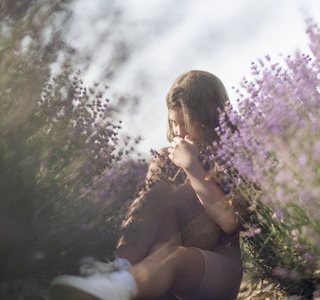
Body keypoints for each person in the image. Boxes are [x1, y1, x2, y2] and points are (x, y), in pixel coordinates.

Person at [50, 70, 248, 300]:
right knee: (159, 200)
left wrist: (191, 165)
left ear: (208, 119)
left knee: (175, 257)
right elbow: (162, 237)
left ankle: (118, 286)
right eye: (174, 123)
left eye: (186, 123)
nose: (179, 132)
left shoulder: (234, 157)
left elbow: (229, 222)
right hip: (162, 266)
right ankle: (120, 270)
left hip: (216, 272)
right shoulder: (165, 158)